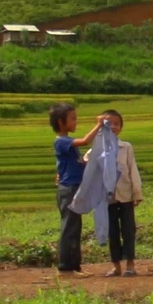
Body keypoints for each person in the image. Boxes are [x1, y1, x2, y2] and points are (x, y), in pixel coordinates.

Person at [49, 102, 105, 278]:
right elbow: (85, 141)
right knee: (70, 227)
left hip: (72, 188)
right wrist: (99, 124)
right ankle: (66, 268)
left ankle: (74, 267)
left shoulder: (67, 145)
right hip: (69, 189)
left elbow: (73, 165)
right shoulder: (62, 142)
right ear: (60, 122)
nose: (76, 122)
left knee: (74, 226)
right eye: (72, 119)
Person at [86, 109, 143, 278]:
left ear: (121, 127)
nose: (113, 127)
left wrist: (136, 193)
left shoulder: (126, 147)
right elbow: (86, 167)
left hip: (125, 195)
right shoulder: (96, 150)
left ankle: (130, 264)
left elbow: (133, 170)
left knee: (128, 230)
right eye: (108, 124)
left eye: (116, 124)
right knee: (112, 232)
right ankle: (116, 265)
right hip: (106, 199)